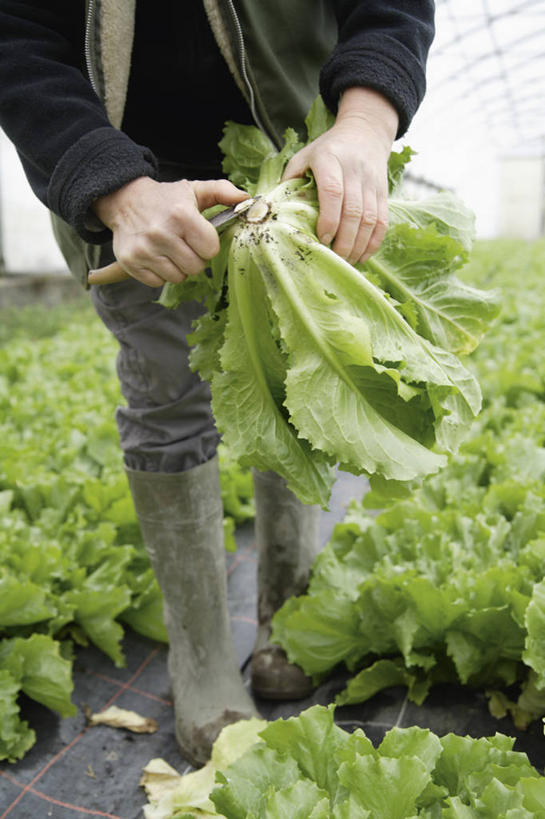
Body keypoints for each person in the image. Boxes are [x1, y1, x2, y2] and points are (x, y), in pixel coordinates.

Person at [0, 0, 435, 767]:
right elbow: (16, 36)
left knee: (298, 384)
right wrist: (113, 187)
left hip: (295, 163)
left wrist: (364, 122)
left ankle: (286, 609)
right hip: (130, 191)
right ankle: (199, 653)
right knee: (165, 401)